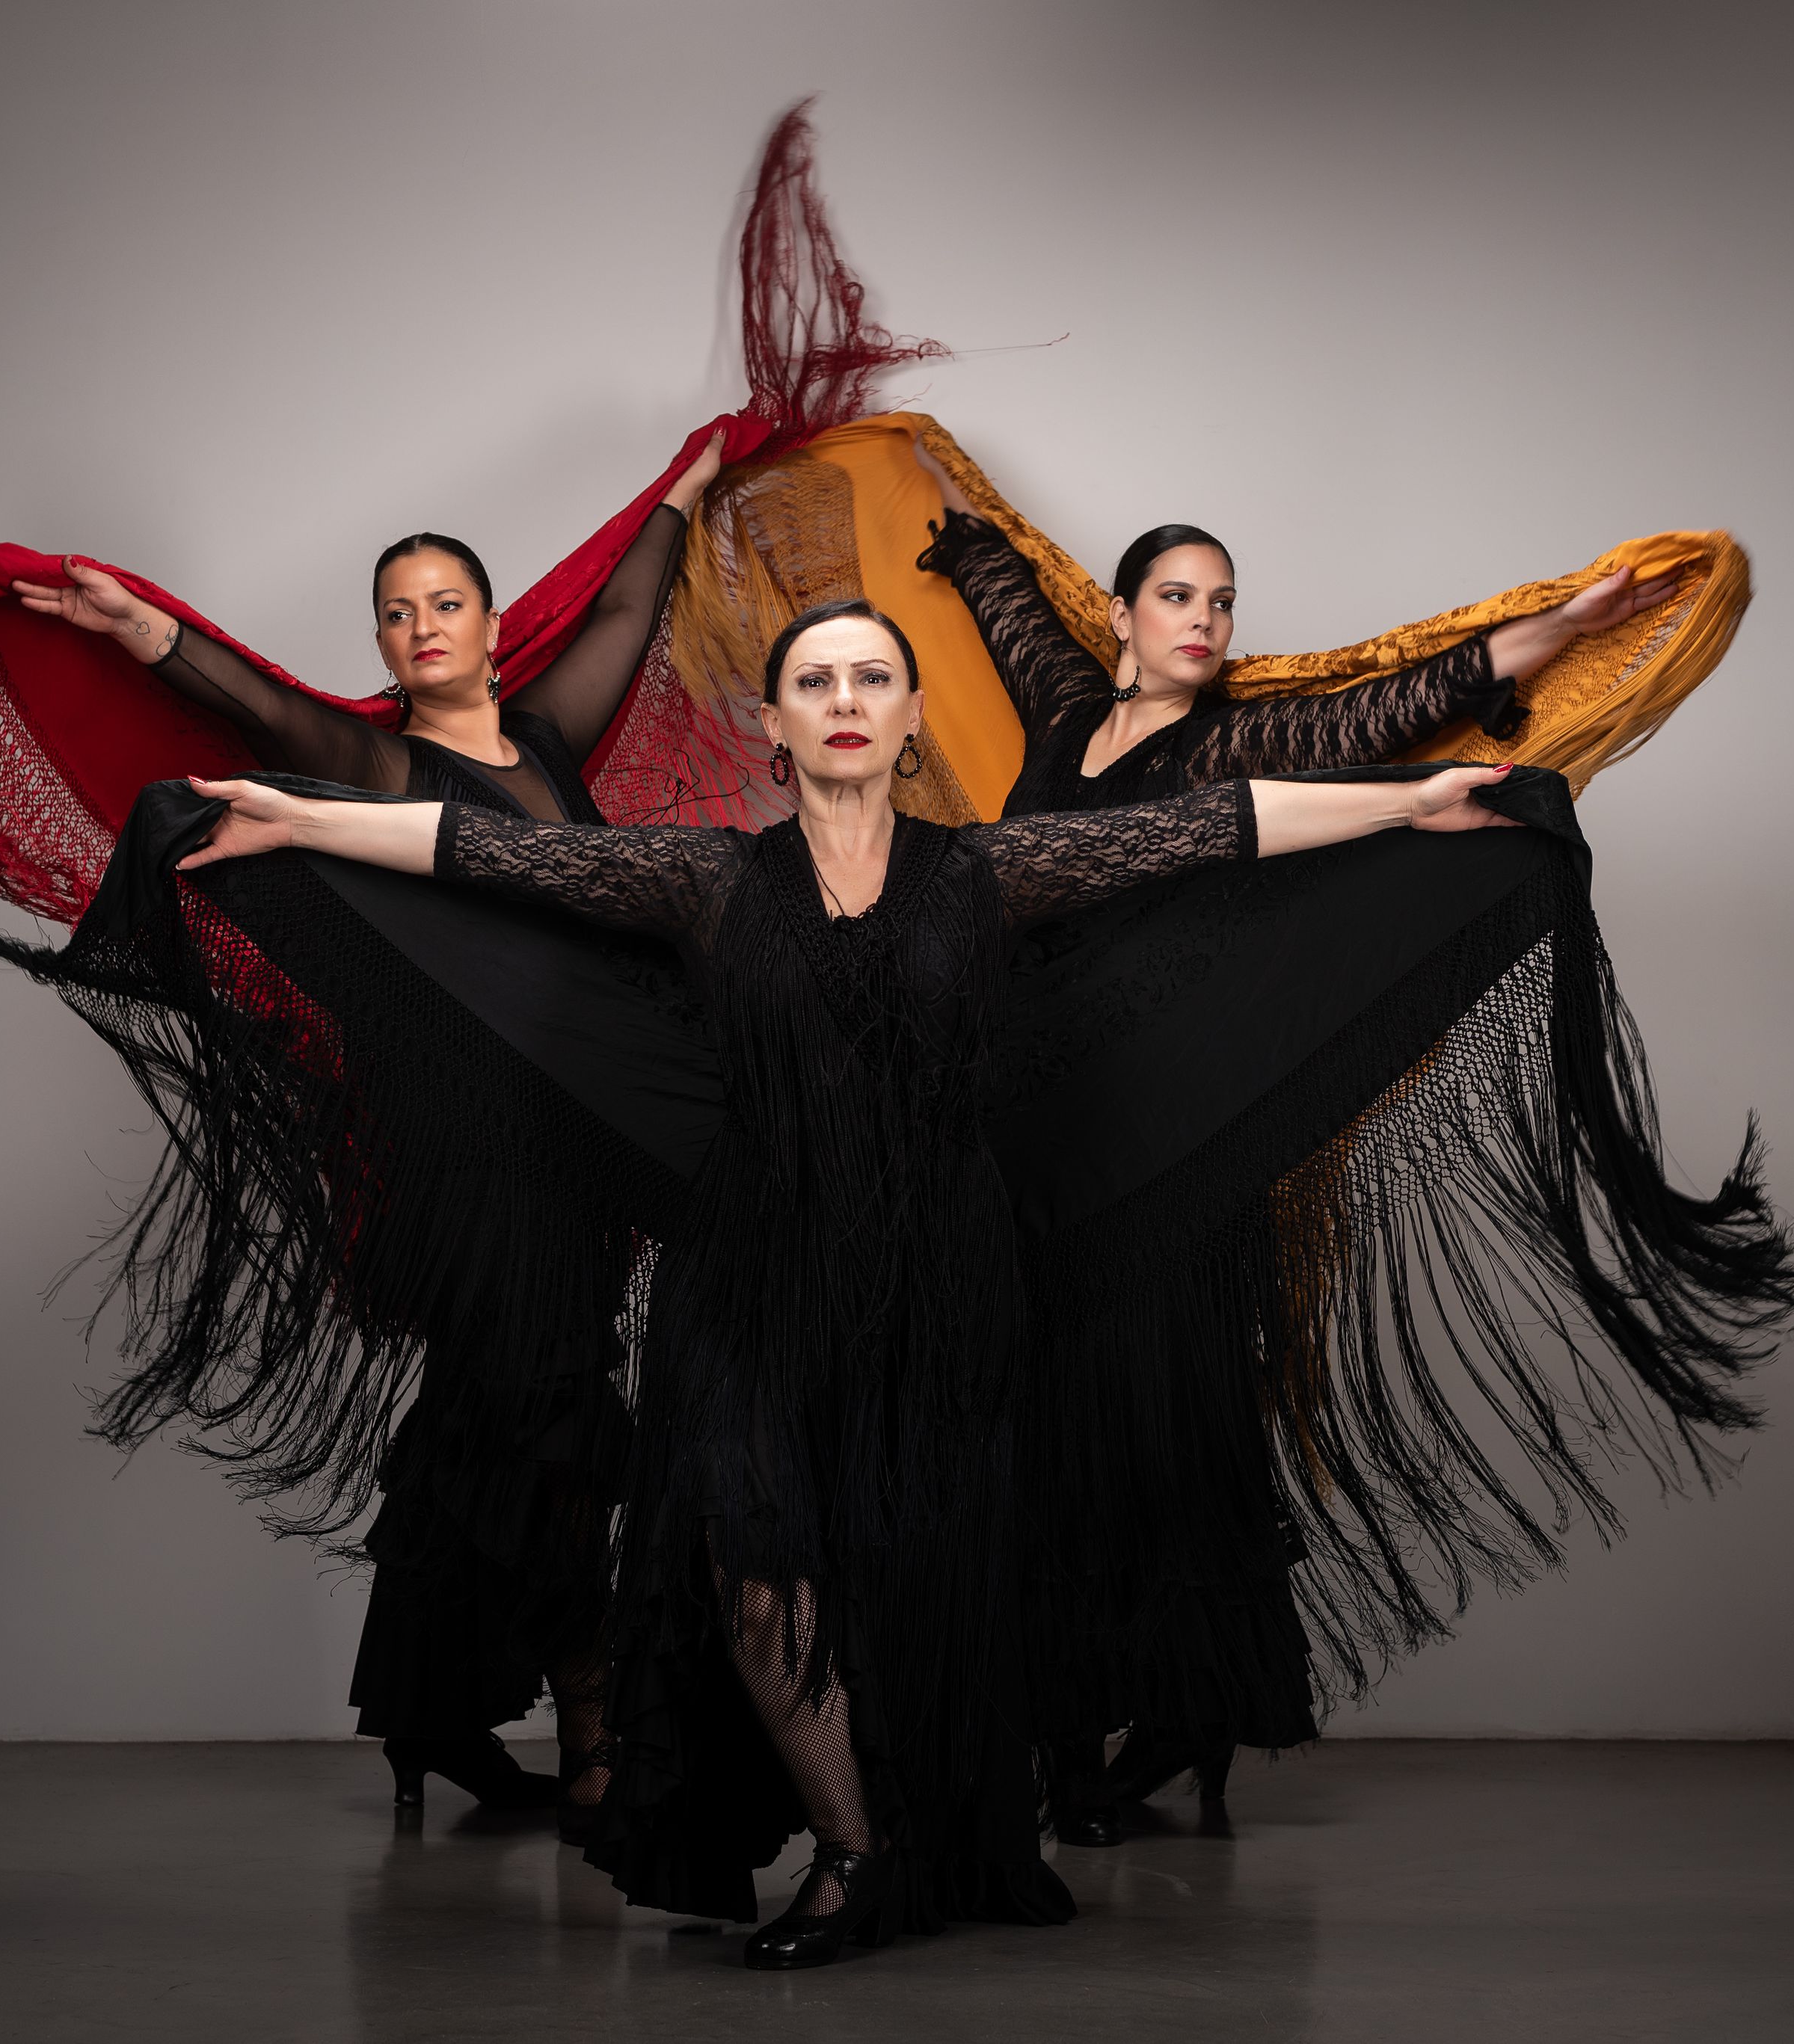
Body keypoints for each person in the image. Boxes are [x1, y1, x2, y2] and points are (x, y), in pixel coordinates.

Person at [157, 600, 1532, 1966]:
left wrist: (1414, 803)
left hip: (942, 1279)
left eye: (873, 677)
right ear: (774, 721)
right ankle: (851, 1848)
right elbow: (488, 853)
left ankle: (928, 1837)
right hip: (748, 1271)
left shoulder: (987, 872)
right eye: (815, 682)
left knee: (925, 1560)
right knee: (752, 1558)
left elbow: (1218, 826)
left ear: (912, 714)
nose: (846, 700)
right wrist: (300, 820)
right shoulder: (705, 879)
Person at [911, 447, 1686, 1841]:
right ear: (1125, 615)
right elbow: (1008, 603)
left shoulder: (1230, 748)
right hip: (1038, 1125)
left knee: (1159, 1421)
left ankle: (1164, 1718)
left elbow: (1391, 709)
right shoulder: (1067, 715)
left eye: (1222, 600)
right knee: (1041, 1417)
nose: (1204, 620)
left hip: (1175, 1132)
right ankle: (1078, 1728)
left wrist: (1556, 630)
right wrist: (950, 508)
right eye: (1177, 596)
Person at [8, 434, 727, 1826]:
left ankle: (424, 1716)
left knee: (484, 1413)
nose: (421, 626)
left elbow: (632, 613)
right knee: (551, 1405)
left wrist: (686, 492)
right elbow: (268, 712)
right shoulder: (381, 765)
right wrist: (149, 633)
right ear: (385, 645)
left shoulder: (548, 741)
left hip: (571, 1138)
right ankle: (590, 1714)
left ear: (496, 625)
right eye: (396, 613)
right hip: (468, 1147)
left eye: (445, 603)